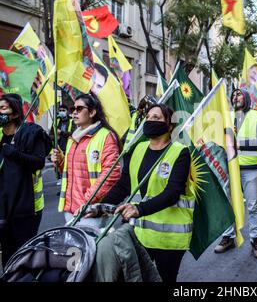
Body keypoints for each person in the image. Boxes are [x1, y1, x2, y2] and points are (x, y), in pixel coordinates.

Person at [85, 104, 192, 282]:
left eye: (156, 118)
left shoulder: (180, 152)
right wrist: (100, 206)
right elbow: (123, 186)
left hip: (170, 238)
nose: (150, 120)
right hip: (140, 234)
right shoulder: (138, 148)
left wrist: (138, 209)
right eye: (148, 117)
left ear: (170, 125)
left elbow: (172, 193)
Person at [214, 88, 257, 258]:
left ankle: (256, 239)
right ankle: (229, 237)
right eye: (233, 95)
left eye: (239, 94)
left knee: (253, 206)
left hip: (250, 168)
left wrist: (238, 143)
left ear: (246, 97)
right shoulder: (227, 117)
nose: (235, 97)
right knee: (227, 205)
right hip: (229, 167)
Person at [51, 94, 121, 228]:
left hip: (90, 212)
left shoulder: (105, 136)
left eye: (79, 109)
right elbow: (71, 171)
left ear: (92, 112)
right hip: (70, 210)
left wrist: (87, 201)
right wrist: (60, 161)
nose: (74, 113)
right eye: (73, 109)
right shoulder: (74, 137)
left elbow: (112, 173)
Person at [0, 94, 52, 266]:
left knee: (24, 257)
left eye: (3, 108)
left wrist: (14, 154)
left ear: (14, 113)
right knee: (7, 257)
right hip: (3, 209)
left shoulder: (31, 133)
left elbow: (38, 162)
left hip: (26, 208)